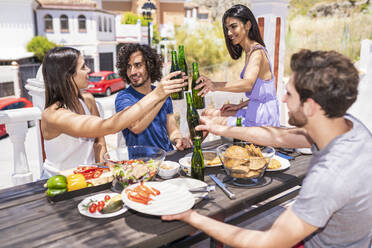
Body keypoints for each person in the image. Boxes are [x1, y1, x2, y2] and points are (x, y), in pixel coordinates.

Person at [162, 50, 372, 247]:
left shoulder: (329, 176)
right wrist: (222, 127)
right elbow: (281, 136)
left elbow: (267, 242)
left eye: (289, 94)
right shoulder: (345, 124)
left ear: (310, 106)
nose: (282, 99)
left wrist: (191, 217)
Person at [40, 47, 186, 178]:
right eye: (83, 67)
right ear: (68, 75)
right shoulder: (53, 115)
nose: (89, 70)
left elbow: (99, 142)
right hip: (58, 182)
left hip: (88, 177)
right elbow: (109, 126)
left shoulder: (87, 99)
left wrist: (104, 171)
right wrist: (158, 95)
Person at [196, 4, 280, 128]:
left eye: (233, 26)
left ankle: (189, 146)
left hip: (262, 120)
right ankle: (188, 145)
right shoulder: (250, 51)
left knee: (206, 119)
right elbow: (263, 94)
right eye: (227, 28)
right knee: (206, 113)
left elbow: (247, 84)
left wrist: (215, 85)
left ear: (248, 25)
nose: (229, 33)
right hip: (255, 111)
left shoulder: (257, 53)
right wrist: (239, 106)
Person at [115, 43, 192, 152]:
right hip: (142, 164)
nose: (132, 72)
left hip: (168, 159)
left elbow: (172, 129)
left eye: (137, 65)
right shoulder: (124, 97)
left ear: (149, 65)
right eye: (128, 67)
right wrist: (161, 95)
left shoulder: (161, 91)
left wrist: (179, 139)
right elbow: (135, 126)